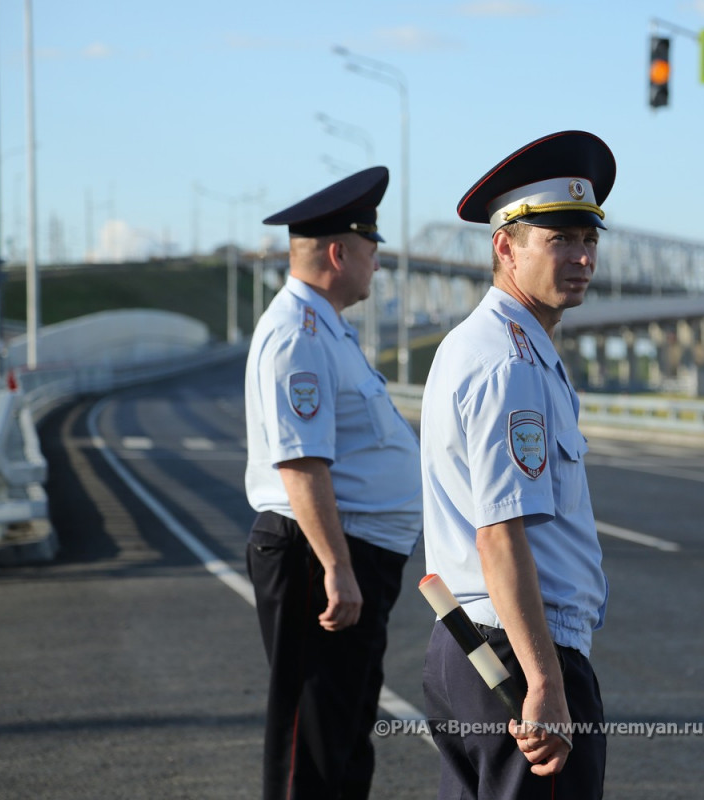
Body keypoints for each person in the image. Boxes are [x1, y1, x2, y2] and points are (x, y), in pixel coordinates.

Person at [420, 130, 616, 800]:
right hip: (519, 655)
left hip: (468, 646)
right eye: (559, 240)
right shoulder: (511, 363)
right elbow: (500, 534)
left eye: (589, 240)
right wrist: (544, 683)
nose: (582, 257)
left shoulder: (481, 343)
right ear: (504, 246)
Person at [244, 166, 422, 800]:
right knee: (311, 746)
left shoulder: (327, 329)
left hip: (348, 553)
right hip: (320, 553)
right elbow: (300, 463)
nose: (378, 265)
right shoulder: (298, 334)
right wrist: (336, 567)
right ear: (341, 252)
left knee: (343, 737)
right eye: (372, 251)